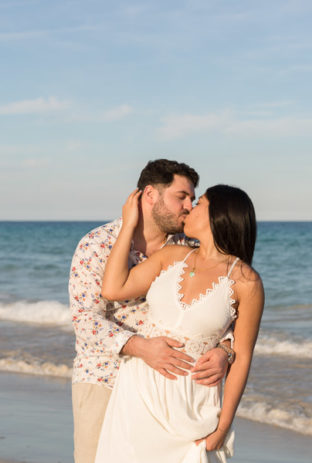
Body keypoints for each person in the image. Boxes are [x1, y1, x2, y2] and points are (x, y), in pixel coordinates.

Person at [69, 160, 234, 463]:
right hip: (105, 379)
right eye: (181, 196)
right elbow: (85, 320)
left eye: (192, 199)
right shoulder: (97, 245)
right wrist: (141, 348)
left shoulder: (190, 249)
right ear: (150, 195)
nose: (189, 206)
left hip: (167, 390)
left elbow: (220, 309)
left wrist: (225, 349)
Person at [96, 184, 264, 463]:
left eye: (199, 204)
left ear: (218, 217)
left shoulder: (247, 282)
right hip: (137, 393)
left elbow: (243, 355)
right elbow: (113, 289)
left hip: (191, 403)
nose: (189, 208)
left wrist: (223, 426)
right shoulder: (171, 256)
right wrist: (128, 226)